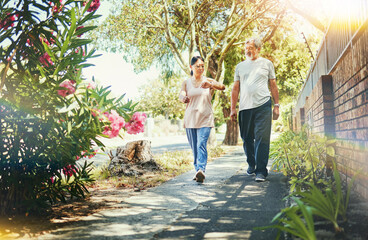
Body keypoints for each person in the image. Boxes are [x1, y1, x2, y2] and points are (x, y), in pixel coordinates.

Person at [230, 38, 280, 182]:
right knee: (246, 139)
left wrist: (276, 105)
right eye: (246, 48)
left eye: (251, 48)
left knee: (262, 137)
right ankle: (251, 163)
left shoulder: (267, 64)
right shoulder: (240, 66)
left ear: (258, 49)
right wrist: (233, 108)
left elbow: (273, 85)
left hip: (263, 105)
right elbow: (235, 88)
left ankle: (261, 171)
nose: (248, 51)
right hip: (245, 107)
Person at [179, 56, 225, 183]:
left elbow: (222, 86)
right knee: (194, 147)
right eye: (197, 66)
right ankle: (197, 170)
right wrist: (183, 98)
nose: (200, 68)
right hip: (190, 119)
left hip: (205, 117)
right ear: (191, 67)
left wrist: (211, 84)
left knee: (201, 144)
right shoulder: (186, 82)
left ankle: (201, 169)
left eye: (202, 66)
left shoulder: (207, 80)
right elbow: (181, 93)